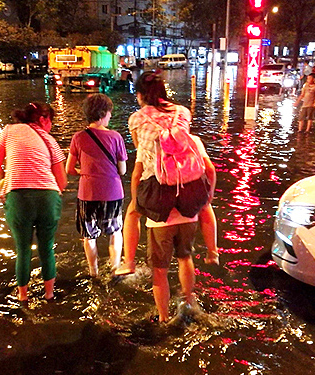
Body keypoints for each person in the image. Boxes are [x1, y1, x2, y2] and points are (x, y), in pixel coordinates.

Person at [115, 71, 219, 276]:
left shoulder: (136, 119)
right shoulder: (183, 112)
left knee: (132, 213)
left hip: (157, 184)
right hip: (187, 179)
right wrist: (209, 194)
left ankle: (128, 261)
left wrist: (136, 198)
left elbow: (141, 156)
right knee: (206, 206)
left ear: (140, 95)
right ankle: (213, 251)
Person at [132, 135, 215, 323]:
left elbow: (137, 176)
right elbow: (209, 169)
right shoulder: (193, 139)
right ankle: (187, 300)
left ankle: (163, 317)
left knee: (159, 270)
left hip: (160, 218)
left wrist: (138, 203)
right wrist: (207, 199)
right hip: (188, 212)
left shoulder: (148, 141)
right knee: (185, 258)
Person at [0, 102, 67, 302]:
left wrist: (5, 181)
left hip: (18, 197)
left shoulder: (9, 130)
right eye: (50, 121)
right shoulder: (50, 141)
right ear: (42, 119)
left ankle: (22, 297)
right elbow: (63, 181)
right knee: (46, 247)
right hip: (48, 198)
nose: (50, 126)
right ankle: (49, 295)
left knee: (23, 249)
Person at [66, 94, 128, 277]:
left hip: (87, 194)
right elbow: (122, 170)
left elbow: (69, 168)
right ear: (103, 113)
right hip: (112, 193)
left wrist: (85, 173)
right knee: (115, 232)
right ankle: (115, 270)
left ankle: (94, 273)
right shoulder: (116, 137)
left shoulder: (78, 138)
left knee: (89, 235)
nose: (110, 116)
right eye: (109, 113)